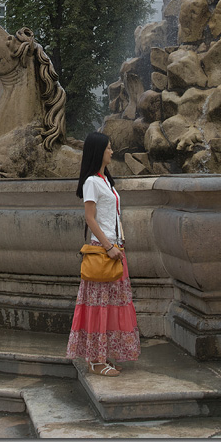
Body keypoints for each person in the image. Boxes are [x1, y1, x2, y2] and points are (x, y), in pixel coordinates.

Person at [65, 132, 140, 377]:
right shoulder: (91, 182)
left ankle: (103, 355)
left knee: (111, 306)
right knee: (99, 306)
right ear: (98, 151)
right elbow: (90, 218)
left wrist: (118, 244)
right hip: (103, 250)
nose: (112, 151)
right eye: (108, 147)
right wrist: (108, 246)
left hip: (115, 248)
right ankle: (95, 360)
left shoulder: (106, 180)